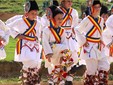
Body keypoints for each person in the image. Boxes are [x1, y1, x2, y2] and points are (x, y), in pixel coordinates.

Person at [7, 1, 42, 85]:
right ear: (27, 13)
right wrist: (17, 35)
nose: (34, 15)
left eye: (35, 13)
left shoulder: (38, 23)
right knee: (29, 62)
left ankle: (32, 81)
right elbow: (8, 27)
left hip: (35, 46)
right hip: (24, 45)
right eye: (32, 13)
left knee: (36, 63)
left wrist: (37, 39)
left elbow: (39, 34)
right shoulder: (20, 21)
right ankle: (27, 79)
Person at [74, 0, 110, 84]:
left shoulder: (101, 20)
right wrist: (83, 41)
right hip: (89, 46)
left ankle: (101, 82)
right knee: (92, 70)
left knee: (105, 65)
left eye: (99, 7)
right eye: (95, 7)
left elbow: (100, 32)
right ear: (92, 8)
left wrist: (101, 40)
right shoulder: (87, 19)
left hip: (99, 46)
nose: (97, 9)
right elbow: (77, 30)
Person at [42, 5, 74, 85]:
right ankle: (69, 67)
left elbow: (64, 42)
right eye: (58, 18)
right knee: (53, 68)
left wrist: (63, 55)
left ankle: (60, 78)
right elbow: (45, 42)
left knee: (58, 71)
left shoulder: (62, 30)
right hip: (51, 52)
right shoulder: (46, 30)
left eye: (62, 18)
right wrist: (48, 53)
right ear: (52, 19)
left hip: (59, 52)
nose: (60, 20)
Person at [58, 0, 79, 83]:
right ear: (62, 2)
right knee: (61, 57)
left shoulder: (74, 12)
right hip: (60, 34)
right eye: (68, 1)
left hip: (70, 35)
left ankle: (69, 79)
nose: (70, 3)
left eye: (71, 1)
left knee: (73, 56)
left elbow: (76, 25)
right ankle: (61, 79)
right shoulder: (56, 10)